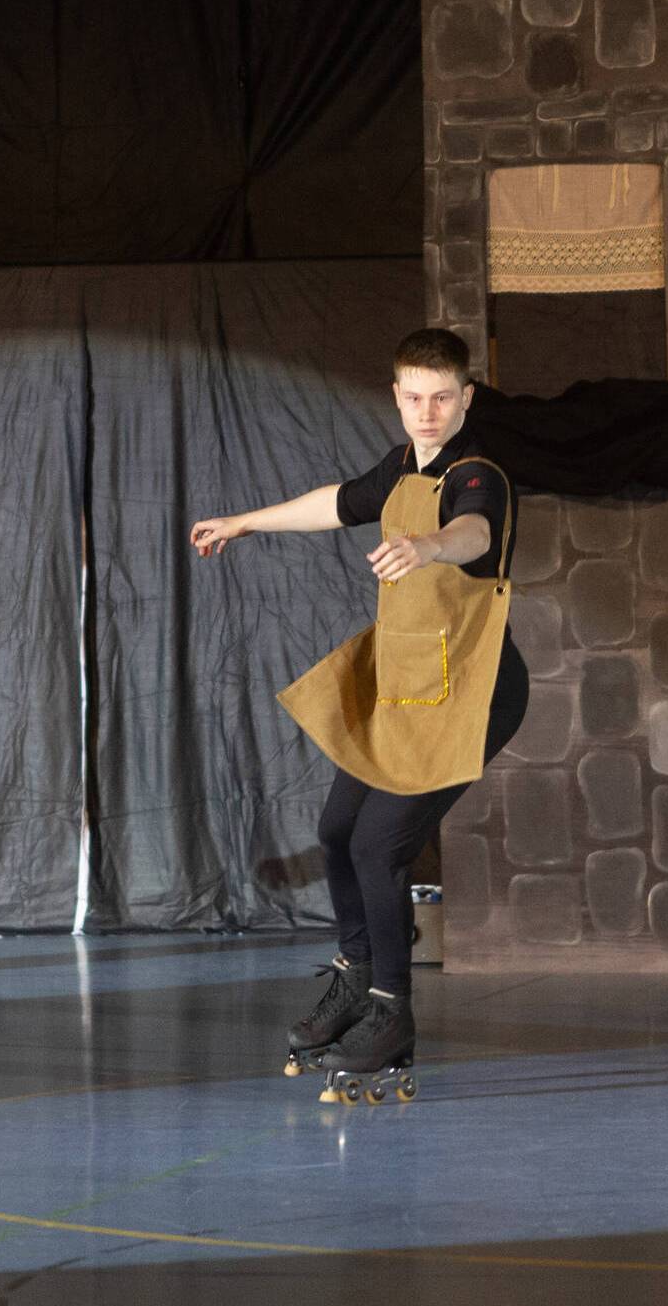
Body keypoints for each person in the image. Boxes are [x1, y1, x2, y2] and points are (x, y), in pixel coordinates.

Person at [189, 328, 527, 1095]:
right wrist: (244, 521)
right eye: (414, 397)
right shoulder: (403, 465)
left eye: (442, 397)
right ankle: (357, 975)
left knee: (379, 845)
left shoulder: (479, 475)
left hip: (474, 688)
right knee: (339, 829)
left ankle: (391, 1011)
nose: (428, 411)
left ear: (466, 398)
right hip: (407, 678)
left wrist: (429, 546)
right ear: (397, 398)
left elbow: (474, 532)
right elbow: (337, 502)